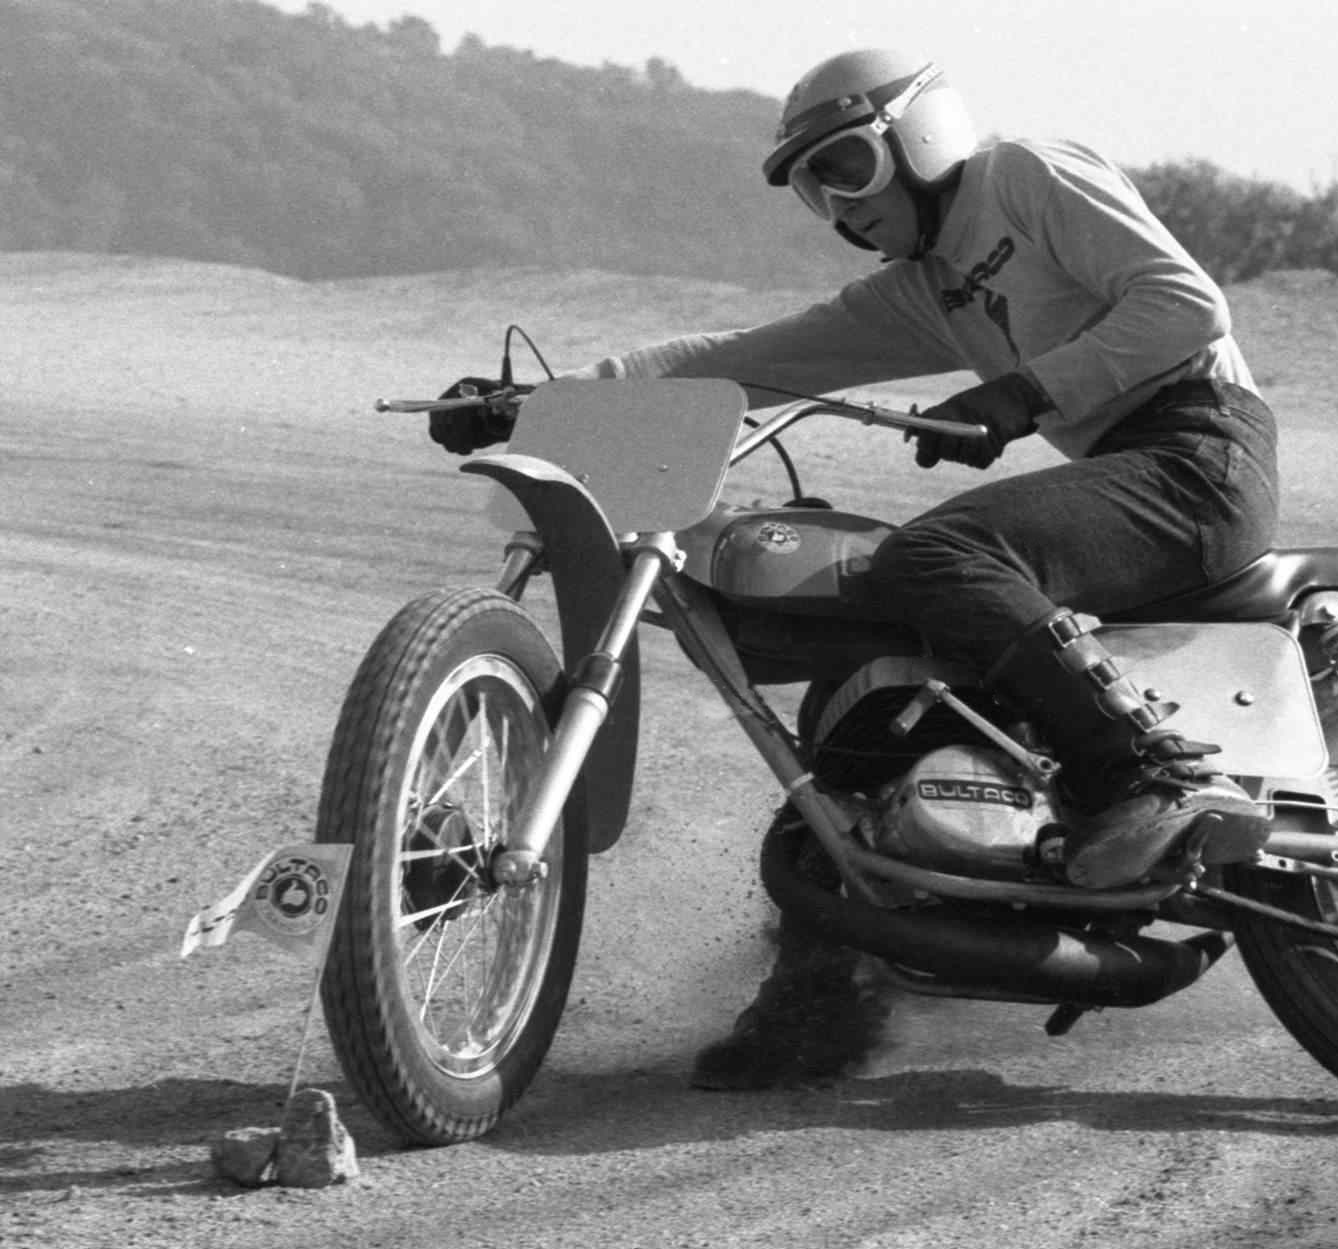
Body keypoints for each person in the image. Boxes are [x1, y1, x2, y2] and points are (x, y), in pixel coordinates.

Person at [429, 49, 1280, 1090]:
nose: (836, 205)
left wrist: (1021, 393)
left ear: (916, 133)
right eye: (810, 188)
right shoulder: (927, 289)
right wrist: (541, 403)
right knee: (858, 690)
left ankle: (1146, 775)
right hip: (1121, 478)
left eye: (845, 167)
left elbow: (1187, 304)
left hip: (1200, 456)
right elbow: (745, 358)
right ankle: (823, 999)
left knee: (938, 554)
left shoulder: (1024, 178)